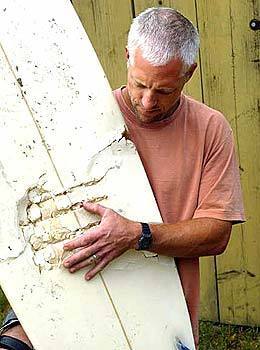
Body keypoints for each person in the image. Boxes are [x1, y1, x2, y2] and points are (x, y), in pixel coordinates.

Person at [0, 7, 245, 350]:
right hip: (74, 303)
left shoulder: (210, 129)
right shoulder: (76, 122)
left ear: (189, 73)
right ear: (128, 57)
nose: (147, 102)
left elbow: (216, 233)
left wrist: (137, 234)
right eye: (141, 84)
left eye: (163, 91)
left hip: (157, 323)